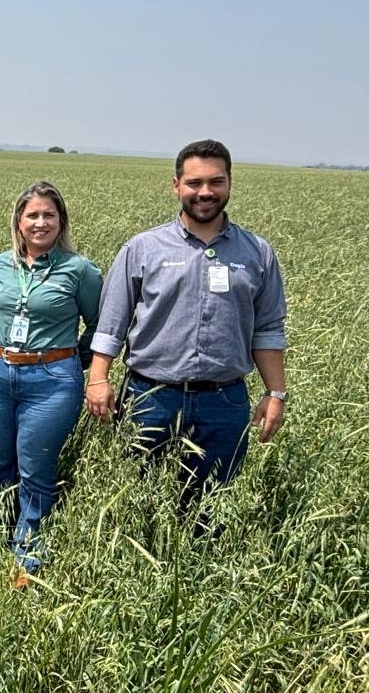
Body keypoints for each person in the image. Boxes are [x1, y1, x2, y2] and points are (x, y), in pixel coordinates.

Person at [87, 139, 288, 532]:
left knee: (210, 507)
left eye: (216, 181)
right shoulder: (143, 247)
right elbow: (111, 323)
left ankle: (197, 574)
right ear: (176, 185)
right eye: (194, 183)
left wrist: (275, 393)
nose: (206, 192)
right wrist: (98, 379)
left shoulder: (257, 253)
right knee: (136, 501)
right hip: (150, 397)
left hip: (224, 400)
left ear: (230, 183)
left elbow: (268, 329)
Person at [0, 181, 102, 577]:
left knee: (35, 465)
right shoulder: (2, 264)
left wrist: (73, 361)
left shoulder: (79, 270)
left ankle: (27, 551)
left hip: (51, 382)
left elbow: (102, 325)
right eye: (32, 215)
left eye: (49, 215)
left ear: (61, 221)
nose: (40, 223)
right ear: (19, 223)